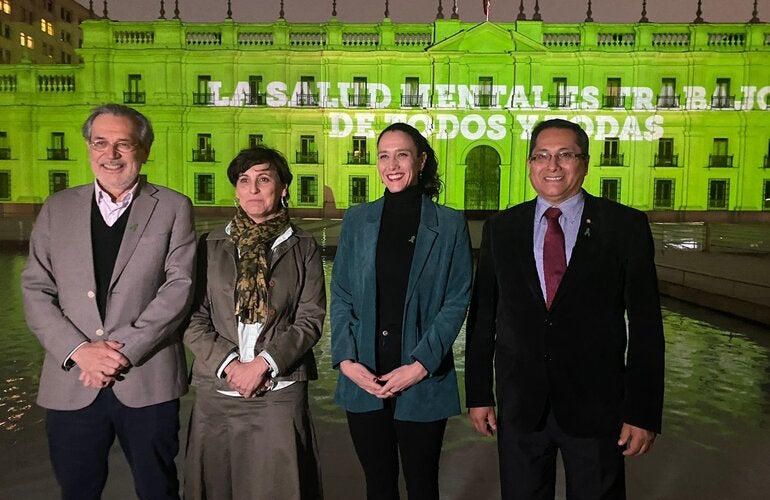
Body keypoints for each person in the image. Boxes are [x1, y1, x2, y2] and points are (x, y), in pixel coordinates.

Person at [465, 118, 665, 499]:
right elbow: (483, 318)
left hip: (597, 409)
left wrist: (642, 412)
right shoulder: (501, 228)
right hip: (521, 406)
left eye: (564, 155)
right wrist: (479, 393)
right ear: (529, 165)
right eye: (541, 155)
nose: (552, 165)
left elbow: (646, 327)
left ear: (584, 163)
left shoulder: (624, 226)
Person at [21, 103, 196, 499]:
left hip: (147, 377)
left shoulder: (172, 206)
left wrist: (121, 352)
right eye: (101, 142)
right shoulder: (56, 208)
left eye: (123, 144)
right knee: (77, 491)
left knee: (158, 489)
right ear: (88, 147)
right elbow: (35, 289)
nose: (111, 154)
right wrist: (80, 350)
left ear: (144, 150)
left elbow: (179, 287)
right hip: (72, 379)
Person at [331, 122, 472, 500]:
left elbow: (456, 301)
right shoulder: (357, 220)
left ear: (422, 161)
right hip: (364, 378)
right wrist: (346, 362)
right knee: (377, 484)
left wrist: (420, 365)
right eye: (383, 155)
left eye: (402, 154)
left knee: (423, 485)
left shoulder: (451, 224)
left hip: (422, 379)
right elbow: (341, 294)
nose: (391, 164)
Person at [183, 146, 325, 499]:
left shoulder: (303, 246)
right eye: (244, 181)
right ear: (236, 190)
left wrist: (263, 364)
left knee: (281, 487)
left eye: (264, 179)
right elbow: (192, 317)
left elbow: (310, 318)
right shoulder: (210, 244)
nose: (253, 189)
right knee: (215, 486)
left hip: (279, 390)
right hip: (217, 391)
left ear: (283, 188)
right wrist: (232, 366)